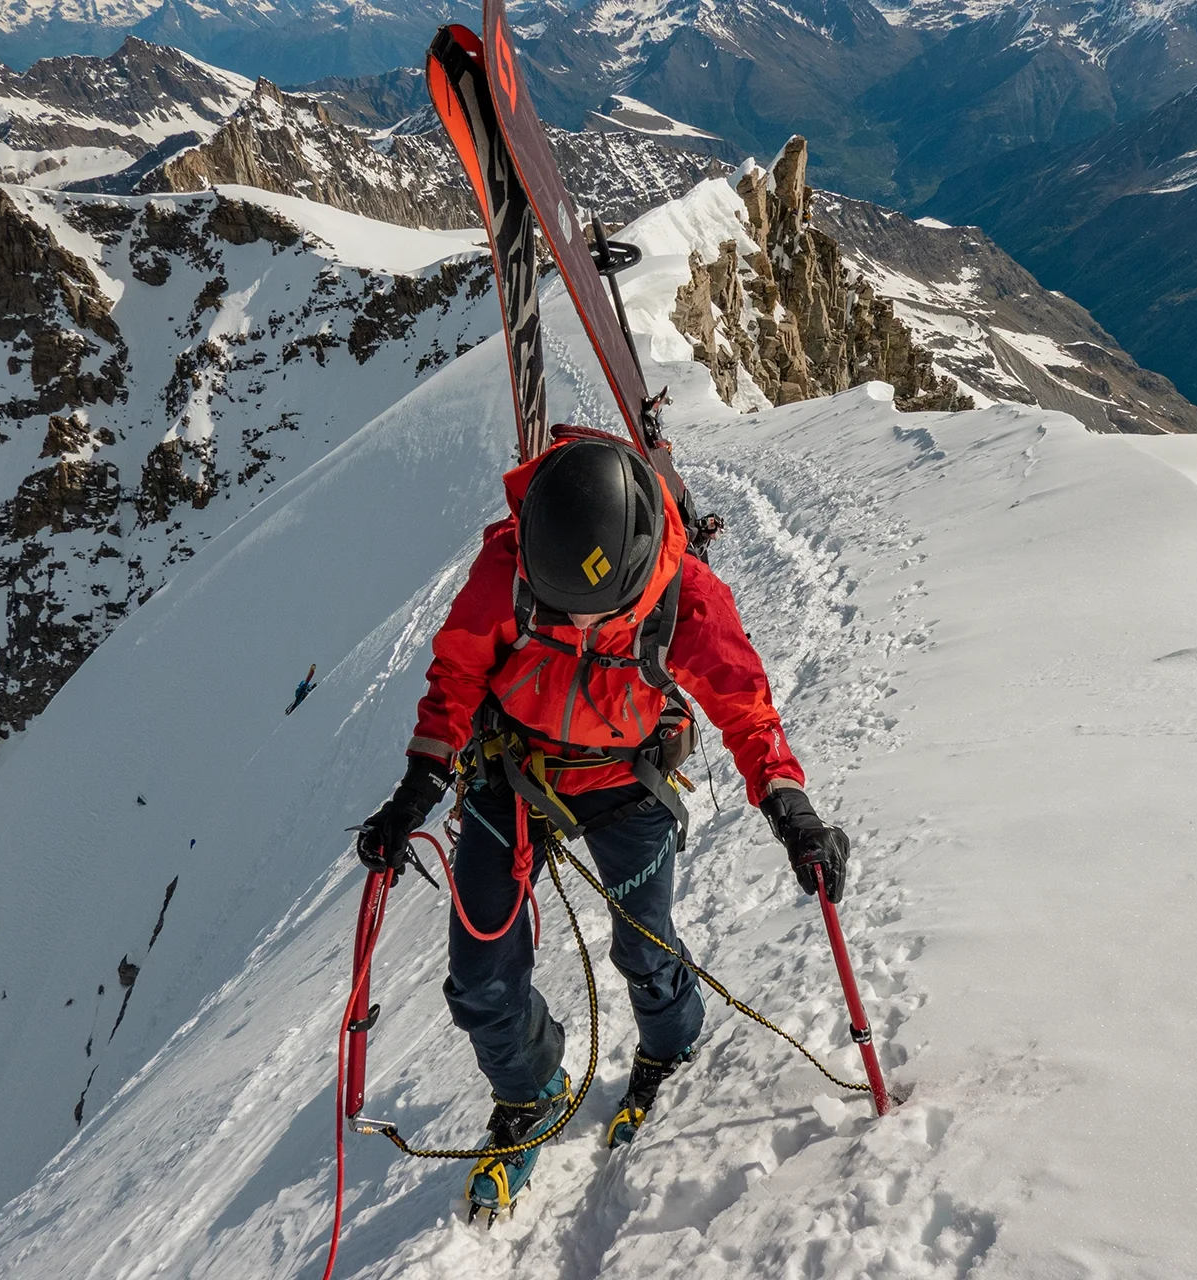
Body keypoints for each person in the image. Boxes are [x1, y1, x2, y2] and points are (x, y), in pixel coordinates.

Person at [354, 430, 849, 1214]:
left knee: (644, 946)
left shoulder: (687, 596)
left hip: (628, 778)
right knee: (480, 977)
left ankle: (671, 1045)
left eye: (599, 615)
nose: (580, 628)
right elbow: (457, 678)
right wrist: (418, 786)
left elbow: (746, 708)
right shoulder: (508, 568)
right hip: (513, 772)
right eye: (563, 613)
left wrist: (793, 809)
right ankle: (531, 1089)